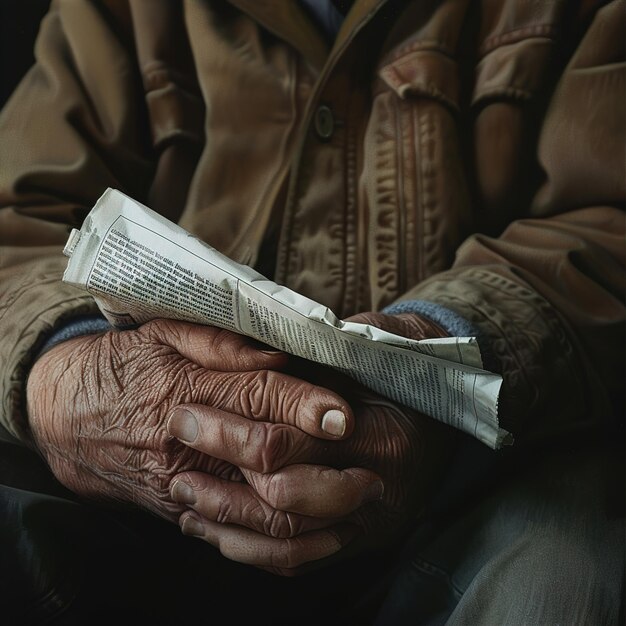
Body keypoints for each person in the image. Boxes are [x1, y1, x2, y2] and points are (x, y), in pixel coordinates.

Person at [0, 0, 623, 624]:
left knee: (564, 575)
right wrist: (69, 376)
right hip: (139, 511)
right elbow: (15, 223)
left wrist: (435, 372)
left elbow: (606, 223)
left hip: (475, 481)